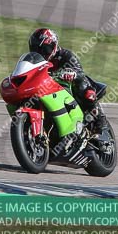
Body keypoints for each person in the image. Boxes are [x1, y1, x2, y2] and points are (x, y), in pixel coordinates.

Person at [27, 28, 108, 160]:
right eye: (37, 50)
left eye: (45, 49)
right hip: (49, 92)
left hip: (68, 88)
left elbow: (80, 72)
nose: (41, 53)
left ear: (53, 46)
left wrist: (72, 73)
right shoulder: (34, 61)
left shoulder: (65, 55)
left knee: (85, 89)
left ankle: (100, 124)